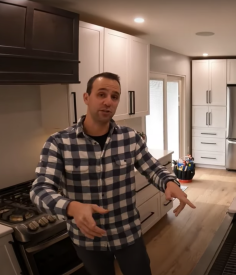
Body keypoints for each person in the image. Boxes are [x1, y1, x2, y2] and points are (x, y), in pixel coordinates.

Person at [30, 72, 195, 275]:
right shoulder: (58, 142)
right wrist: (71, 207)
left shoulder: (130, 138)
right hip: (87, 239)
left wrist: (170, 183)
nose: (108, 101)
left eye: (114, 96)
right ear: (86, 98)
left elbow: (153, 168)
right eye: (101, 94)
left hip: (127, 233)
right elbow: (39, 190)